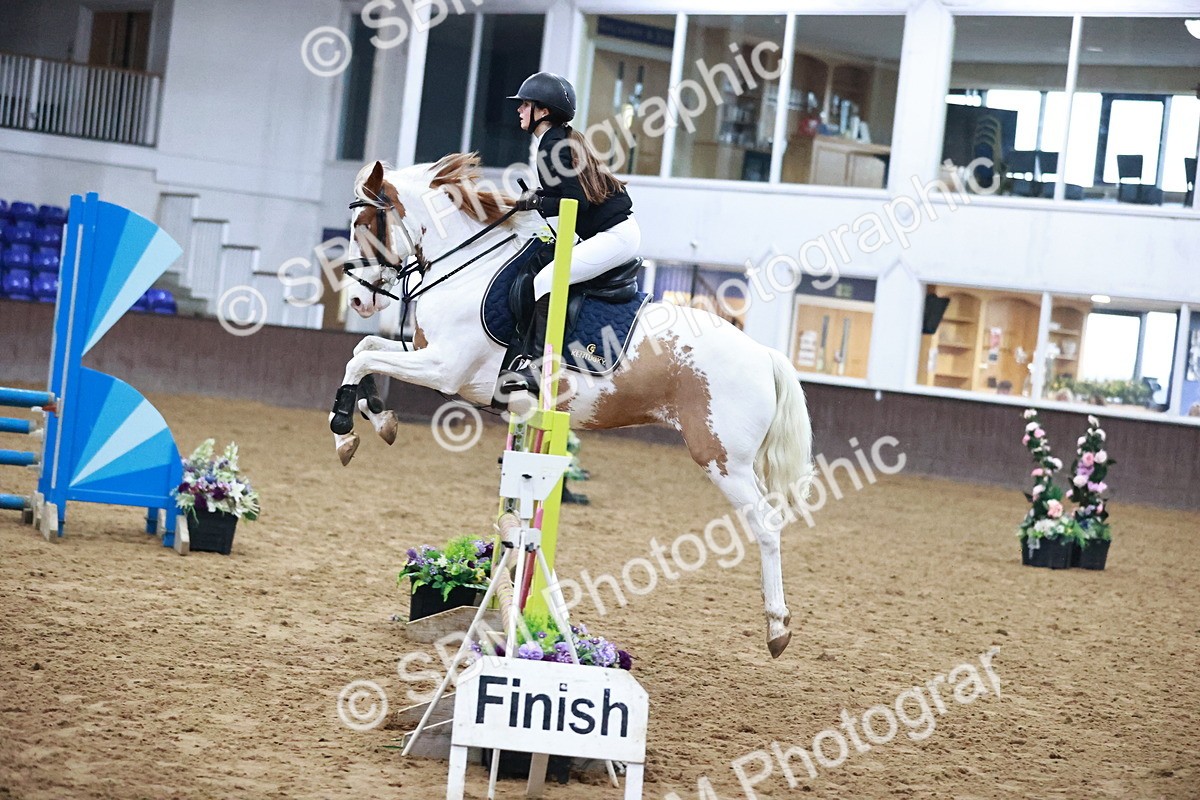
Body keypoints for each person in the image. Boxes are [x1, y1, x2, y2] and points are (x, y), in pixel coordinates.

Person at [497, 71, 640, 397]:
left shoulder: (553, 146)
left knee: (547, 280)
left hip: (615, 236)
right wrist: (538, 198)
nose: (519, 110)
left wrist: (537, 201)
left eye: (525, 105)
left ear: (542, 111)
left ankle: (538, 368)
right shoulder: (557, 141)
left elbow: (575, 202)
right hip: (611, 233)